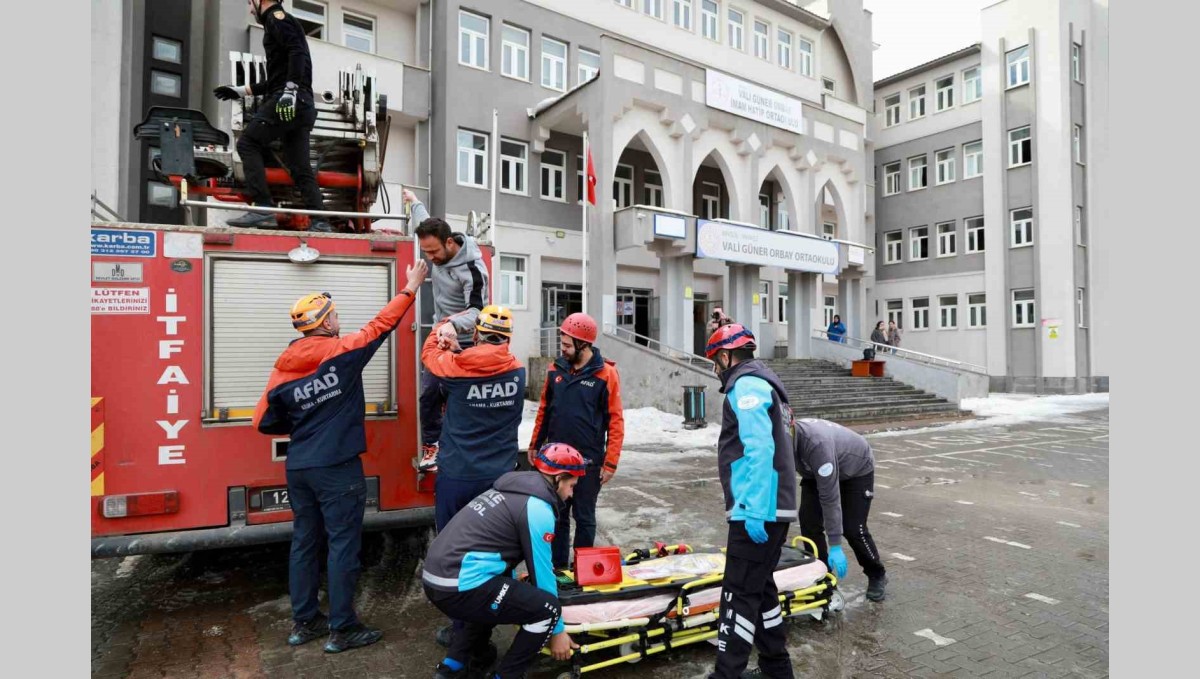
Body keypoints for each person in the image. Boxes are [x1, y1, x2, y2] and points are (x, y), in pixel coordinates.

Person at [252, 259, 428, 653]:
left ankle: (305, 623)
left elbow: (262, 421)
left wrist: (304, 420)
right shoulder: (342, 351)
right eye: (334, 315)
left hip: (299, 466)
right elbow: (381, 326)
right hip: (337, 467)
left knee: (304, 543)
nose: (338, 319)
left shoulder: (282, 368)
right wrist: (411, 287)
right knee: (343, 544)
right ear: (325, 322)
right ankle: (343, 628)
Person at [424, 444, 585, 679]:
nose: (571, 494)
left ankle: (453, 667)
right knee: (547, 609)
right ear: (558, 478)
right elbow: (542, 574)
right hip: (459, 585)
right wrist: (557, 630)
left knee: (495, 597)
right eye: (572, 486)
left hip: (436, 580)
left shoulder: (508, 489)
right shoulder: (538, 508)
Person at [423, 304, 526, 651]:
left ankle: (462, 632)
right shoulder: (517, 371)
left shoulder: (455, 369)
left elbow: (429, 353)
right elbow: (486, 366)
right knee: (495, 552)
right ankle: (487, 622)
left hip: (458, 475)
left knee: (455, 552)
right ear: (508, 338)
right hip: (500, 479)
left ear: (477, 333)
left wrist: (448, 324)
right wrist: (461, 351)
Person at [704, 322, 799, 679]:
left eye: (715, 361)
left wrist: (754, 509)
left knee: (738, 595)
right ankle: (777, 668)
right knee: (762, 589)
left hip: (757, 510)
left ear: (726, 356)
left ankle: (726, 674)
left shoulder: (746, 385)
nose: (715, 368)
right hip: (772, 507)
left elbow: (760, 448)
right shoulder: (766, 383)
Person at [214, 0, 332, 232]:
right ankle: (320, 221)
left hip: (290, 99)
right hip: (302, 105)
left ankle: (262, 208)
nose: (250, 9)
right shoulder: (280, 23)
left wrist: (289, 91)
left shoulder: (277, 19)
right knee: (300, 167)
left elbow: (297, 52)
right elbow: (276, 80)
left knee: (247, 143)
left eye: (250, 2)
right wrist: (240, 91)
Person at [528, 313, 625, 569]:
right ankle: (559, 568)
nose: (562, 349)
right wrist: (535, 445)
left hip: (589, 462)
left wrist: (610, 462)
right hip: (556, 461)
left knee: (584, 517)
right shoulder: (555, 370)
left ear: (583, 344)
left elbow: (616, 421)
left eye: (567, 345)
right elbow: (545, 410)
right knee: (558, 516)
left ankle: (582, 570)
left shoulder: (606, 374)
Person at [407, 190, 491, 473]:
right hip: (439, 338)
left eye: (433, 252)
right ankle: (432, 445)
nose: (430, 258)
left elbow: (478, 312)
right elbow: (423, 218)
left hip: (465, 342)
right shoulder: (436, 244)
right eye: (425, 252)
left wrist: (452, 325)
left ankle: (468, 449)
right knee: (429, 394)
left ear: (450, 242)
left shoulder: (472, 269)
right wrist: (414, 201)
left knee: (463, 401)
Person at [794, 418, 887, 602]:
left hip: (856, 469)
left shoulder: (817, 444)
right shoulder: (775, 442)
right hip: (814, 471)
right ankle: (823, 578)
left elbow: (830, 498)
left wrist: (835, 544)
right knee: (809, 522)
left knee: (853, 529)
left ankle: (876, 573)